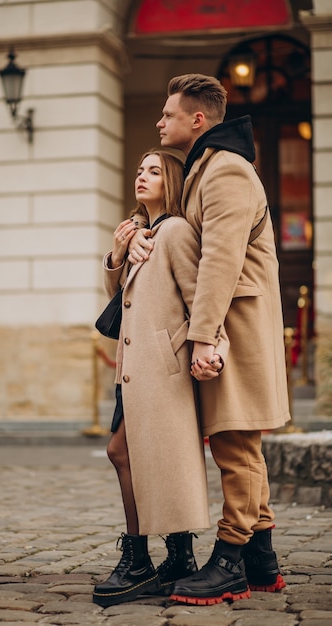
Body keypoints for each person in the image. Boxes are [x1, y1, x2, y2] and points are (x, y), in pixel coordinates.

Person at [128, 74, 291, 606]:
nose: (159, 122)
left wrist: (203, 339)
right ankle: (262, 560)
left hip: (233, 330)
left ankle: (228, 564)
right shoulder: (207, 168)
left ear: (197, 120)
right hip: (226, 326)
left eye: (168, 114)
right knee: (238, 441)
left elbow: (220, 261)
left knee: (234, 445)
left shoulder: (225, 171)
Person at [93, 149, 228, 608]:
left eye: (153, 171)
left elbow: (200, 297)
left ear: (171, 180)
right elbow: (122, 300)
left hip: (161, 368)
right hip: (132, 368)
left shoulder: (175, 232)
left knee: (123, 452)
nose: (141, 176)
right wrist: (117, 252)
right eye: (138, 170)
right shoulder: (140, 232)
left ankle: (138, 560)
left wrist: (212, 346)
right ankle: (177, 557)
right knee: (138, 457)